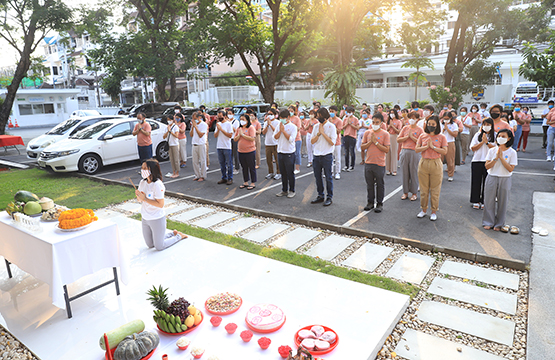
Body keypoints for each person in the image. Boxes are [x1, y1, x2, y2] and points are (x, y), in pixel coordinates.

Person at [136, 159, 187, 251]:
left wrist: (145, 199)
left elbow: (160, 204)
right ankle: (172, 234)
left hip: (157, 218)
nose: (142, 170)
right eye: (142, 168)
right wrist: (139, 196)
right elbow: (140, 200)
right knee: (150, 245)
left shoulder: (157, 185)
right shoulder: (142, 183)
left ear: (152, 170)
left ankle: (178, 236)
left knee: (159, 246)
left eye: (145, 168)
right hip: (145, 218)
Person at [483, 129, 517, 230]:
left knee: (503, 201)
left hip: (505, 178)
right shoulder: (492, 150)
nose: (500, 138)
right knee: (489, 200)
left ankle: (499, 224)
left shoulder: (512, 152)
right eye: (499, 136)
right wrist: (496, 158)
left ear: (509, 138)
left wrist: (502, 158)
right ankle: (488, 222)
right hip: (492, 176)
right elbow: (487, 166)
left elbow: (510, 168)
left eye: (503, 136)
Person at [415, 116, 448, 221]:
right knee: (424, 189)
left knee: (435, 189)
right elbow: (416, 149)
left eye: (433, 124)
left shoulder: (441, 137)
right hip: (424, 162)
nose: (431, 126)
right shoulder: (422, 136)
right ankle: (423, 210)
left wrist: (433, 147)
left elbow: (444, 151)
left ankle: (434, 211)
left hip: (436, 163)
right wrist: (426, 147)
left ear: (437, 125)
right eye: (429, 124)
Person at [361, 113, 390, 212]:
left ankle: (379, 203)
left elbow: (386, 149)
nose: (375, 124)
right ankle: (370, 202)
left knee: (380, 184)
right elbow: (362, 147)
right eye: (373, 122)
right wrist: (371, 142)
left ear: (381, 123)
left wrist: (376, 142)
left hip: (379, 163)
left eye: (377, 122)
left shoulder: (385, 134)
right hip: (369, 162)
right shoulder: (367, 133)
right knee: (369, 184)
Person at [310, 107, 337, 206]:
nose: (318, 118)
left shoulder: (331, 127)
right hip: (317, 155)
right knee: (317, 177)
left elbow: (332, 142)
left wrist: (323, 133)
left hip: (327, 155)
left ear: (325, 117)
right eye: (318, 116)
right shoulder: (316, 126)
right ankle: (320, 195)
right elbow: (312, 141)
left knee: (328, 177)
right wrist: (318, 133)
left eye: (320, 116)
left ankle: (329, 196)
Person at [470, 118, 496, 210]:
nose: (486, 126)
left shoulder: (495, 135)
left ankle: (485, 200)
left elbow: (495, 149)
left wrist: (487, 142)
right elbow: (473, 148)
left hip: (489, 162)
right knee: (476, 181)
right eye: (485, 124)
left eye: (488, 124)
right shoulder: (477, 135)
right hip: (477, 161)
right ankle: (475, 200)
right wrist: (482, 142)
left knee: (488, 183)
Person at [398, 112, 424, 201]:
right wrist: (406, 137)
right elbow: (398, 139)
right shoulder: (405, 128)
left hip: (415, 152)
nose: (412, 119)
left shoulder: (420, 130)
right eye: (410, 118)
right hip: (404, 150)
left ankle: (414, 193)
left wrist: (412, 137)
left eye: (414, 118)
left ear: (417, 119)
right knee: (404, 172)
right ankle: (405, 192)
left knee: (414, 172)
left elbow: (422, 142)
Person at [274, 109, 298, 198]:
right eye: (280, 118)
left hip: (289, 153)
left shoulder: (293, 127)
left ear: (288, 117)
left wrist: (283, 131)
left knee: (290, 172)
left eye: (283, 118)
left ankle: (292, 190)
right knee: (283, 173)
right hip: (280, 152)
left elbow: (291, 139)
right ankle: (284, 190)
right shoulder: (278, 126)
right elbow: (275, 137)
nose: (281, 120)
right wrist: (280, 130)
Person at [235, 114, 257, 190]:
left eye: (243, 119)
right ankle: (245, 181)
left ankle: (253, 182)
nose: (242, 121)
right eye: (241, 119)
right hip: (241, 151)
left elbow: (252, 138)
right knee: (244, 167)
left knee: (251, 167)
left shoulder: (251, 128)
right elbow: (235, 139)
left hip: (250, 151)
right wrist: (239, 135)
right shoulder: (239, 128)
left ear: (247, 120)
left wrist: (243, 135)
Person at [214, 109, 234, 185]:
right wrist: (218, 129)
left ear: (225, 116)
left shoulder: (228, 124)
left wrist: (221, 129)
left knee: (229, 163)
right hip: (219, 146)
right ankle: (224, 177)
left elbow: (230, 135)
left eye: (220, 116)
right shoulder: (218, 124)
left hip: (227, 146)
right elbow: (215, 136)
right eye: (218, 116)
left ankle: (230, 178)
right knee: (222, 163)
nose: (219, 118)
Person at [262, 108, 281, 180]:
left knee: (277, 159)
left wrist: (270, 124)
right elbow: (263, 132)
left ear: (275, 115)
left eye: (271, 114)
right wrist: (267, 125)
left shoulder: (278, 122)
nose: (269, 116)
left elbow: (276, 132)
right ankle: (271, 172)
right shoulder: (265, 122)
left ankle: (279, 172)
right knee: (268, 159)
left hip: (275, 143)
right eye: (268, 114)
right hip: (268, 143)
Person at [190, 111, 208, 181]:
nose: (194, 120)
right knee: (195, 161)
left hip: (201, 144)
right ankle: (197, 175)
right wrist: (192, 127)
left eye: (195, 118)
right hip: (194, 144)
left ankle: (203, 176)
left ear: (199, 117)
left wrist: (195, 127)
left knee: (202, 160)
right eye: (193, 119)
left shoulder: (204, 125)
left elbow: (201, 135)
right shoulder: (193, 125)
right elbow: (191, 135)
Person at [441, 112, 458, 182]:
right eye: (444, 118)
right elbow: (439, 133)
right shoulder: (440, 124)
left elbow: (455, 134)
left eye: (447, 119)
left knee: (450, 159)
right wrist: (444, 129)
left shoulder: (454, 125)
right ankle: (438, 174)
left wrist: (447, 129)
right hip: (441, 143)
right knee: (439, 160)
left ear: (450, 118)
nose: (445, 120)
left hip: (450, 142)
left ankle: (450, 175)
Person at [342, 105, 360, 171]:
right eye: (347, 112)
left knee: (352, 151)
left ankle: (352, 166)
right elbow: (342, 127)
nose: (348, 113)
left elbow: (357, 128)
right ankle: (346, 165)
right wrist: (347, 123)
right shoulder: (345, 119)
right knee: (346, 151)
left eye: (350, 112)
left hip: (352, 136)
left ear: (353, 112)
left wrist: (351, 124)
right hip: (345, 136)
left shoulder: (355, 119)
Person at [386, 109, 402, 176]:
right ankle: (388, 169)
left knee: (394, 152)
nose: (391, 114)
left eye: (393, 113)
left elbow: (399, 131)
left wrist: (392, 126)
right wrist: (390, 125)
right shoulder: (388, 121)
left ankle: (394, 169)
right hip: (388, 136)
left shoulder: (398, 121)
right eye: (390, 113)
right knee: (388, 153)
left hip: (395, 136)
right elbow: (386, 130)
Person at [328, 108, 343, 180]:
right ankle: (330, 172)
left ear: (336, 112)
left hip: (337, 142)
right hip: (329, 141)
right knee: (330, 157)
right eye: (330, 111)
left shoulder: (339, 121)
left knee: (337, 158)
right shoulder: (328, 120)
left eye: (332, 111)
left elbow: (338, 131)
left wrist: (331, 124)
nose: (331, 113)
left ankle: (337, 172)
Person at [289, 105, 303, 174]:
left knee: (297, 153)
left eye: (292, 111)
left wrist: (292, 129)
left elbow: (298, 128)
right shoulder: (287, 118)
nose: (290, 112)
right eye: (289, 110)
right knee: (291, 154)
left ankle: (297, 168)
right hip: (289, 139)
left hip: (297, 138)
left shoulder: (297, 118)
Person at [227, 109, 241, 175]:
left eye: (230, 113)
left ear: (233, 114)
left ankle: (237, 168)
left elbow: (236, 131)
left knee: (235, 154)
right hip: (228, 139)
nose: (229, 115)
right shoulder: (226, 121)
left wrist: (230, 125)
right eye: (228, 113)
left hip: (234, 138)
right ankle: (230, 168)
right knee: (229, 154)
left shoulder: (236, 122)